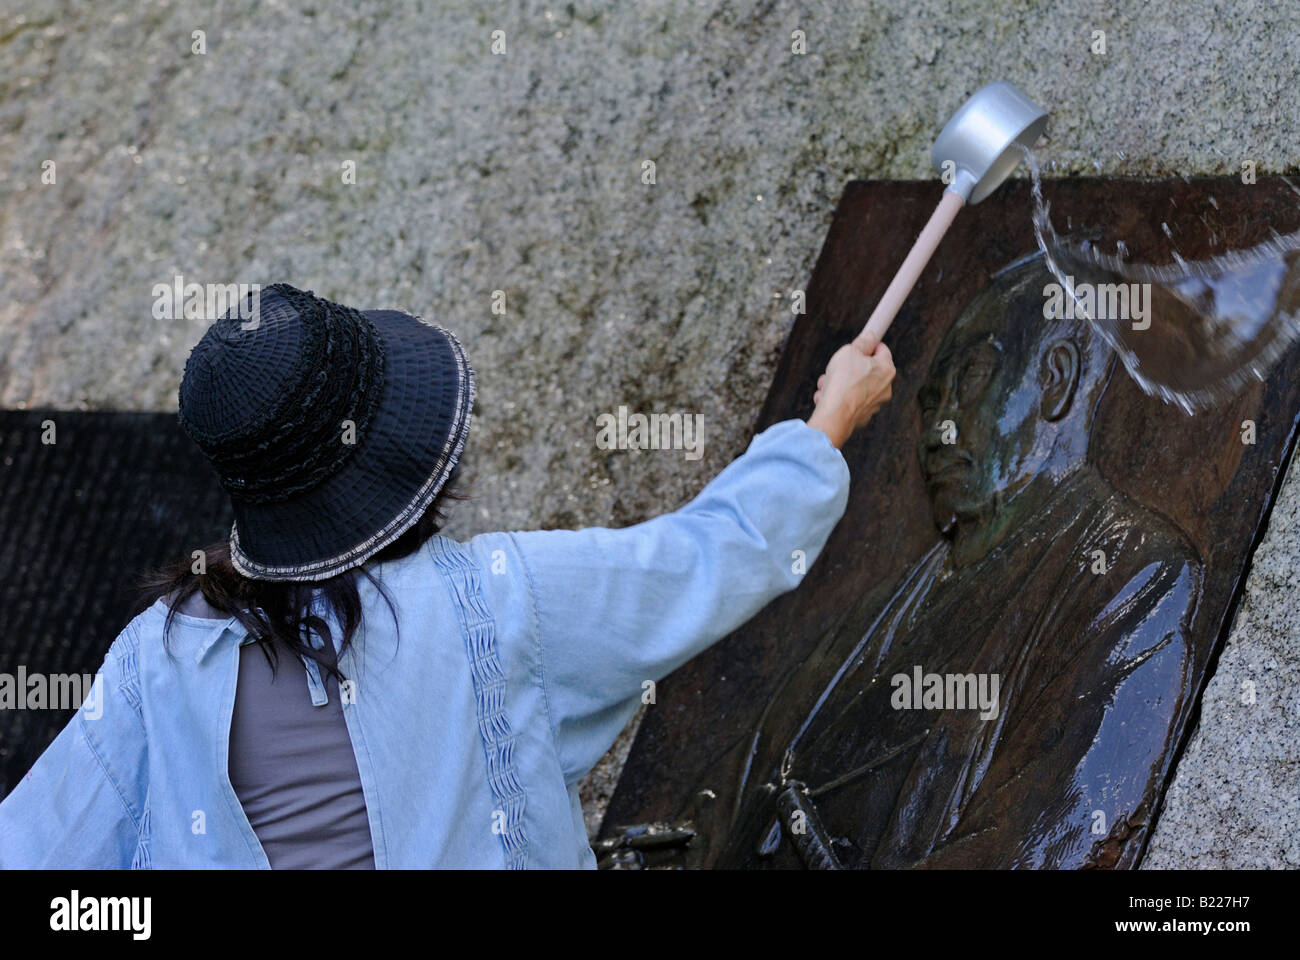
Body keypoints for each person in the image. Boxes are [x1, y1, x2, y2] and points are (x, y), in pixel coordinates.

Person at [0, 283, 894, 868]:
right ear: (405, 448)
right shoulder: (493, 602)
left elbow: (37, 849)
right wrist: (826, 424)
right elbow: (709, 559)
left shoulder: (156, 658)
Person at [708, 254, 1202, 870]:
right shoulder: (888, 605)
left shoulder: (1133, 574)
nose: (934, 433)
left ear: (1056, 378)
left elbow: (1047, 837)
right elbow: (742, 779)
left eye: (970, 382)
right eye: (930, 402)